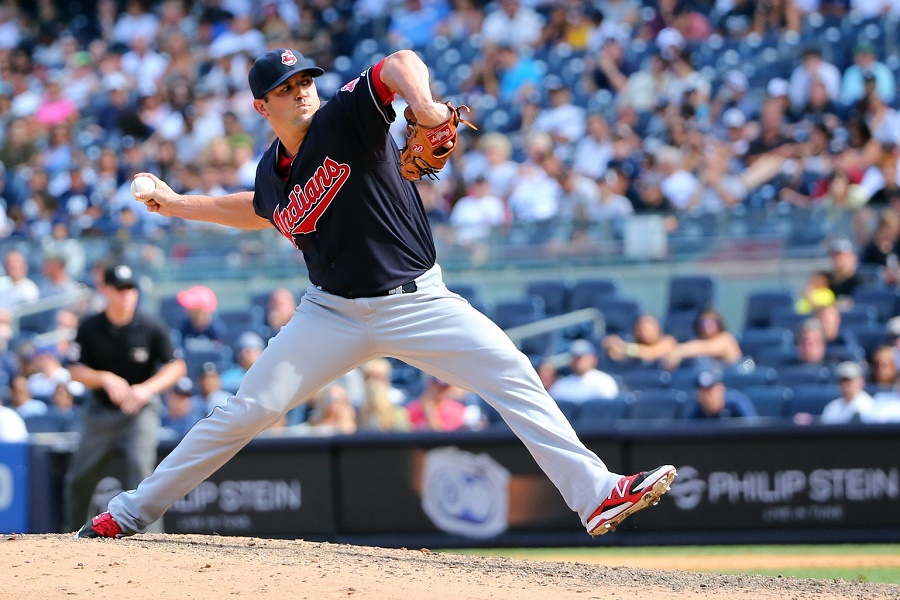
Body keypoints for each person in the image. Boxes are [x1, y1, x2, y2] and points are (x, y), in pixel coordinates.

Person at [76, 48, 674, 540]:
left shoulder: (346, 119)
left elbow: (398, 62)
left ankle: (596, 495)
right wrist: (178, 204)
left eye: (307, 77)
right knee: (246, 409)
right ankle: (127, 514)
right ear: (263, 105)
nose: (303, 89)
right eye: (287, 87)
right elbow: (257, 210)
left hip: (417, 302)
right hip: (329, 312)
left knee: (513, 374)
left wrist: (427, 105)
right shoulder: (270, 170)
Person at [63, 264, 186, 533]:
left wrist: (146, 389)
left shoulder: (149, 324)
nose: (126, 294)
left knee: (143, 473)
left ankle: (150, 542)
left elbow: (176, 366)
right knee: (80, 477)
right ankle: (72, 536)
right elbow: (74, 369)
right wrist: (104, 378)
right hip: (100, 410)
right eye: (119, 289)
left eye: (130, 288)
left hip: (140, 408)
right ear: (105, 290)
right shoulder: (91, 327)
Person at [662, 309, 743, 370]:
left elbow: (705, 347)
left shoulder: (726, 339)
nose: (707, 326)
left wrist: (677, 352)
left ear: (719, 324)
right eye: (703, 323)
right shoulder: (697, 342)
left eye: (711, 322)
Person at [549, 339, 619, 403]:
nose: (578, 362)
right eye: (575, 358)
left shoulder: (604, 381)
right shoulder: (560, 385)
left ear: (593, 359)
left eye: (582, 358)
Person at [603, 314, 678, 365]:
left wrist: (623, 347)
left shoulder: (668, 341)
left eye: (647, 329)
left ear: (658, 328)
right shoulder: (633, 344)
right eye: (640, 328)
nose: (643, 332)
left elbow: (651, 353)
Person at [683, 369, 757, 420]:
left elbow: (753, 430)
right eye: (703, 392)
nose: (707, 396)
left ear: (721, 389)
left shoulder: (736, 404)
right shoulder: (696, 412)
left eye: (710, 391)